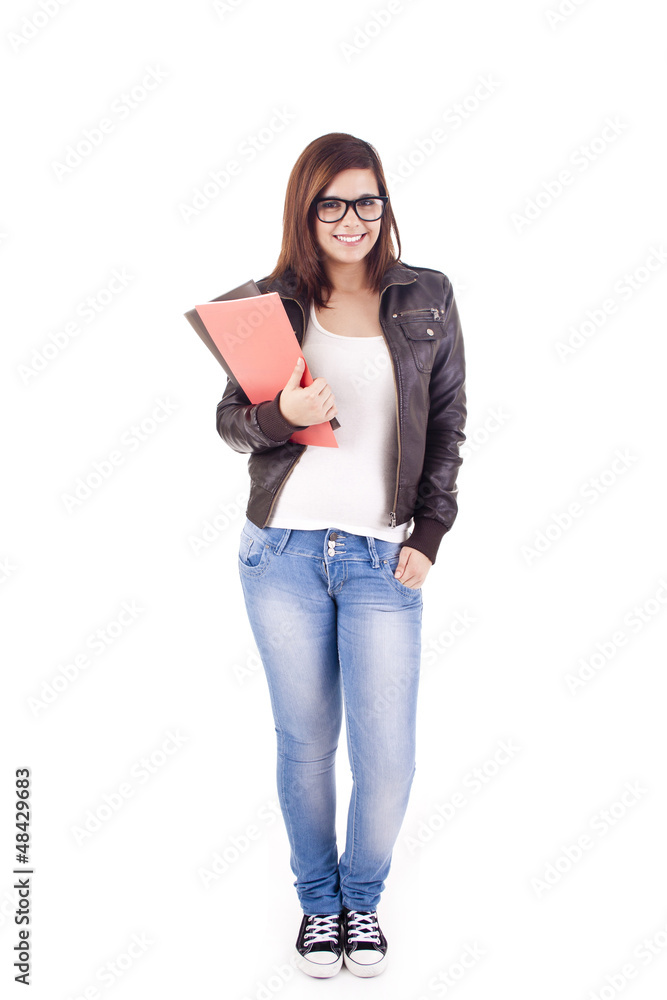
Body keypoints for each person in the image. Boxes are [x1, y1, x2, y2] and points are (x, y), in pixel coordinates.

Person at [216, 132, 466, 978]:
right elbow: (231, 424)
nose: (351, 219)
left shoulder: (427, 297)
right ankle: (319, 908)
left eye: (367, 201)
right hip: (280, 554)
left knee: (387, 755)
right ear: (306, 211)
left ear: (384, 206)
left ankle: (363, 898)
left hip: (382, 562)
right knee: (305, 743)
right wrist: (282, 412)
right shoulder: (269, 305)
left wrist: (429, 535)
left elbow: (448, 426)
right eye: (332, 203)